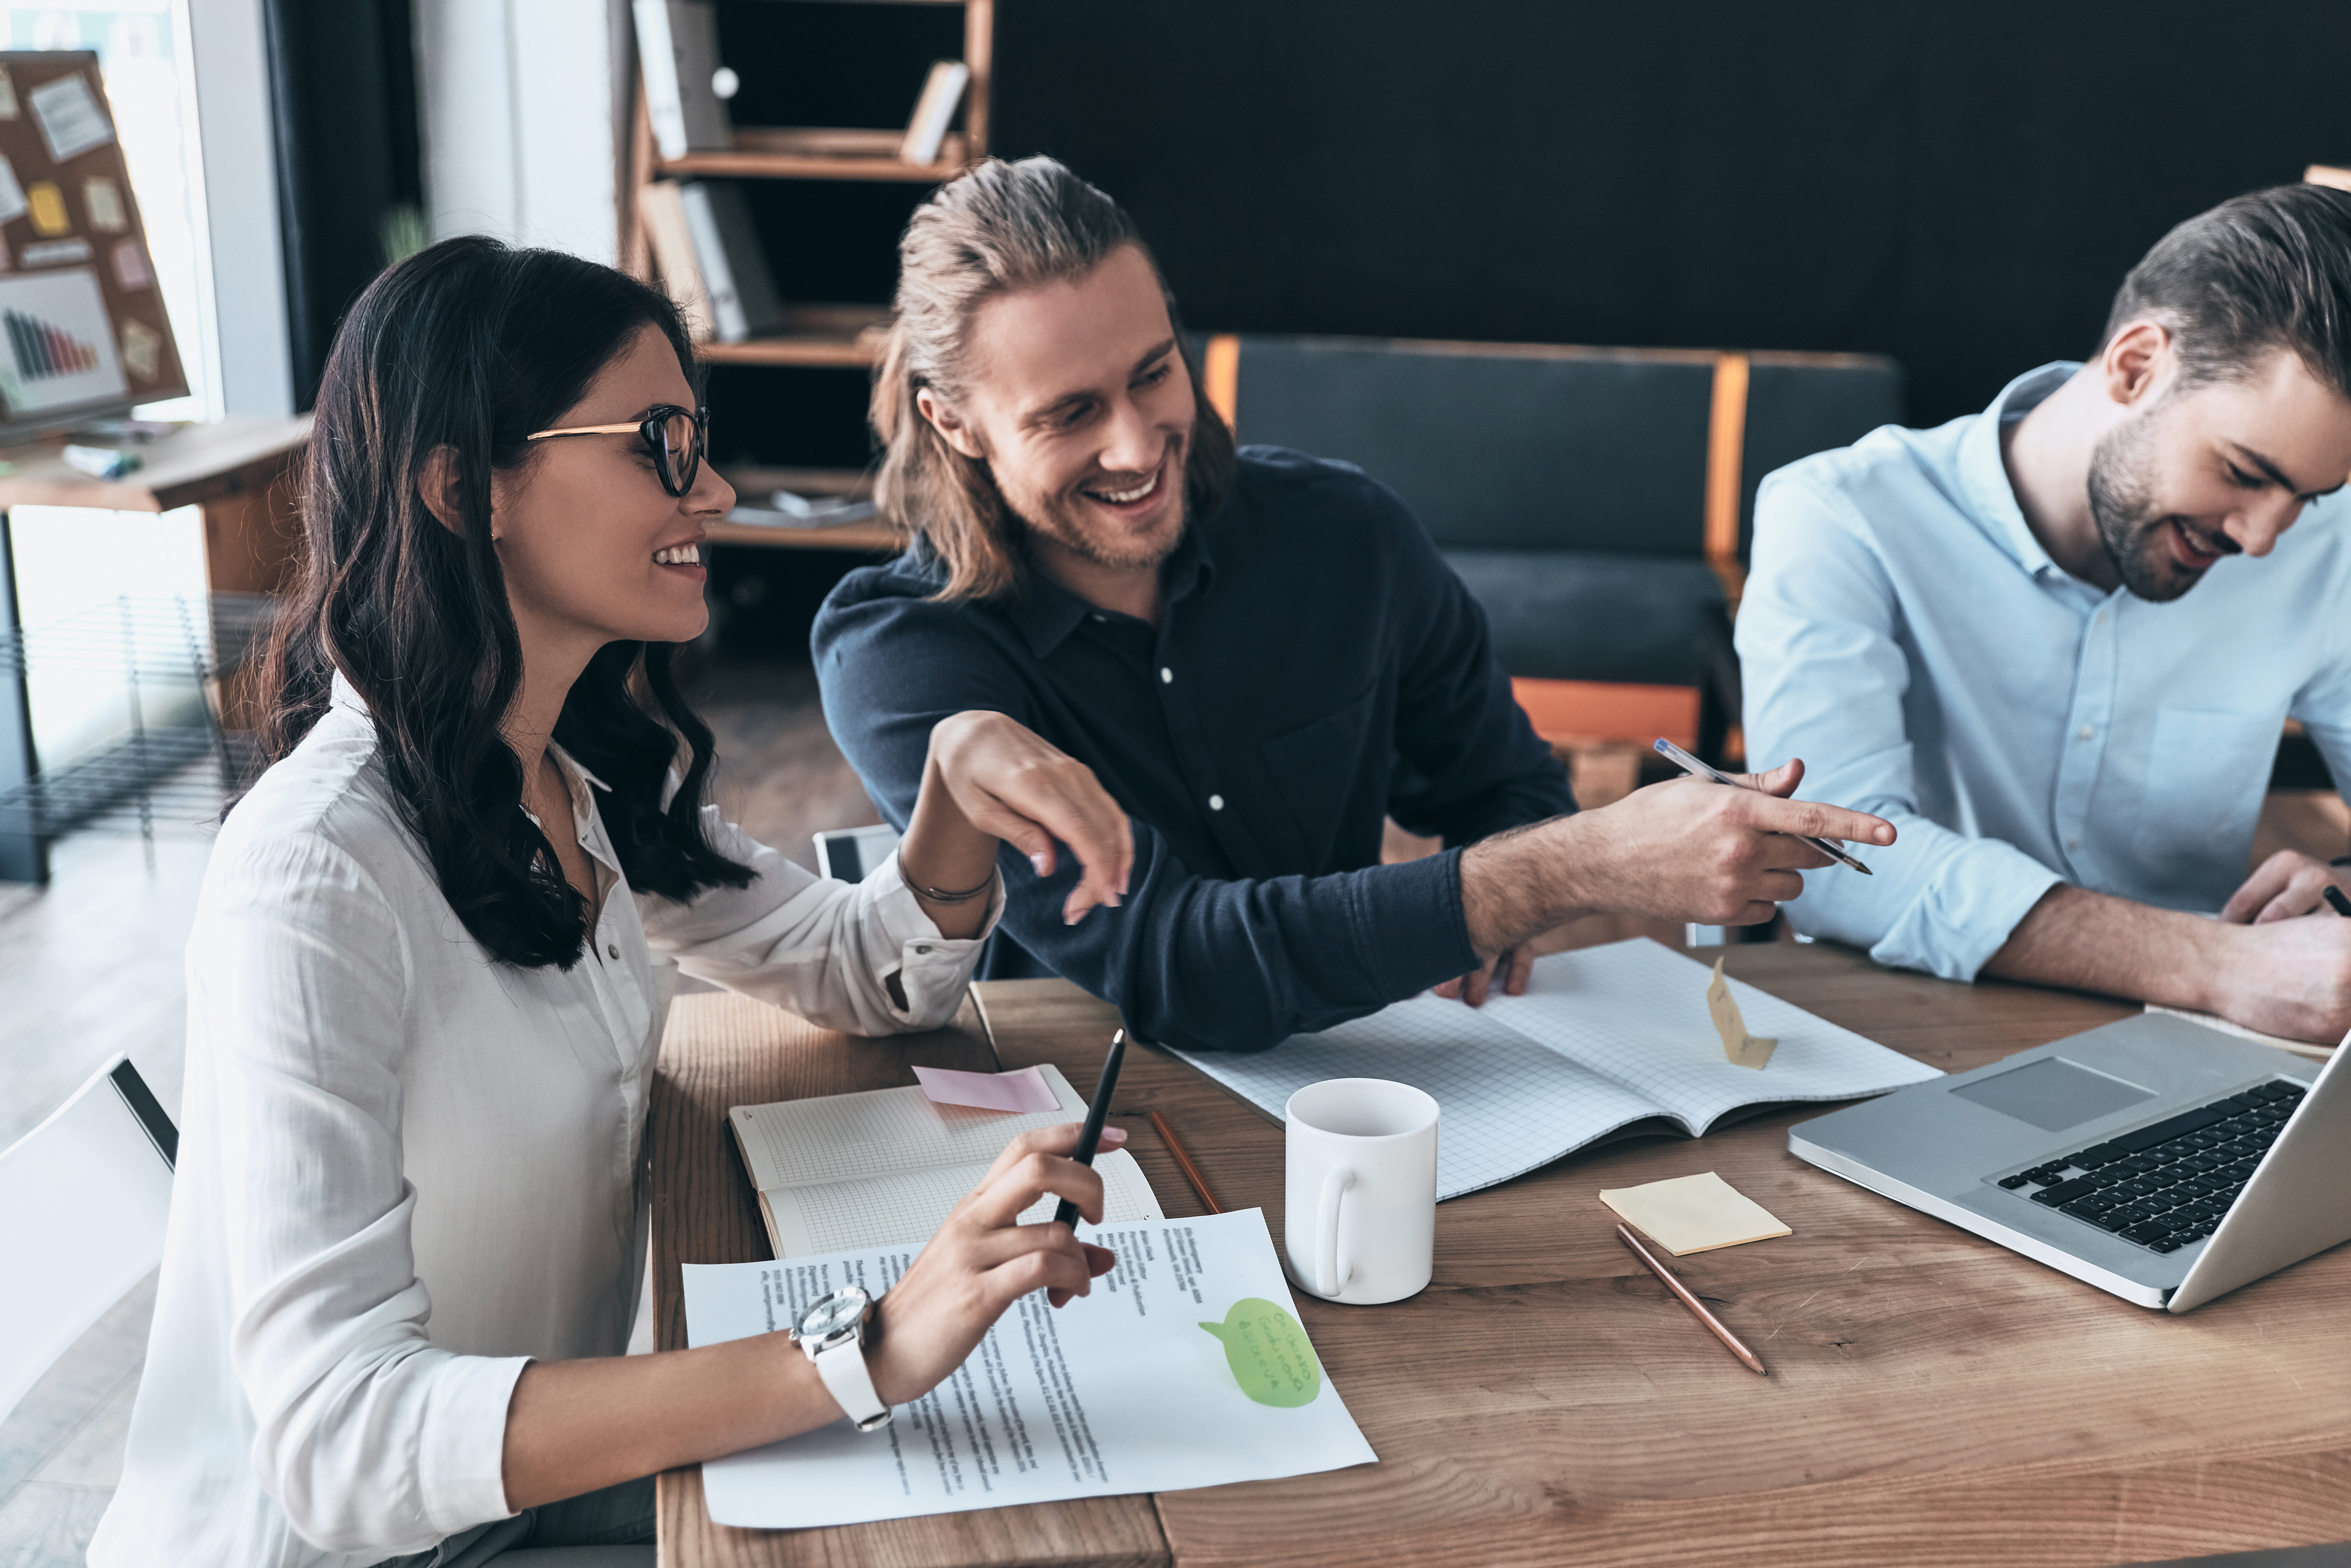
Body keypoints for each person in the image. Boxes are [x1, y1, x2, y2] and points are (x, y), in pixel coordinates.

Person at [90, 236, 1143, 1568]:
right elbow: (341, 1443)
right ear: (466, 488)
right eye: (657, 440)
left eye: (698, 437)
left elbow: (876, 977)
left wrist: (950, 776)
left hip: (514, 1503)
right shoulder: (316, 870)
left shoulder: (568, 785)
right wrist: (862, 1345)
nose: (710, 485)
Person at [814, 157, 1892, 1056]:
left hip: (1372, 1080)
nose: (1139, 446)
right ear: (954, 424)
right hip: (1073, 1122)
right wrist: (1569, 869)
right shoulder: (903, 654)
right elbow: (1175, 964)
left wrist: (1516, 862)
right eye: (1070, 414)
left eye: (1154, 373)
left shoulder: (1347, 534)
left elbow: (1501, 782)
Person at [1737, 183, 2351, 1044]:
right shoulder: (1841, 514)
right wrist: (2216, 964)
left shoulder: (2324, 551)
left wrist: (2343, 888)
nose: (2263, 538)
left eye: (2310, 497)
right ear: (2137, 365)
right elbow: (1832, 858)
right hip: (1891, 1035)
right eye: (2245, 473)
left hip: (2198, 1054)